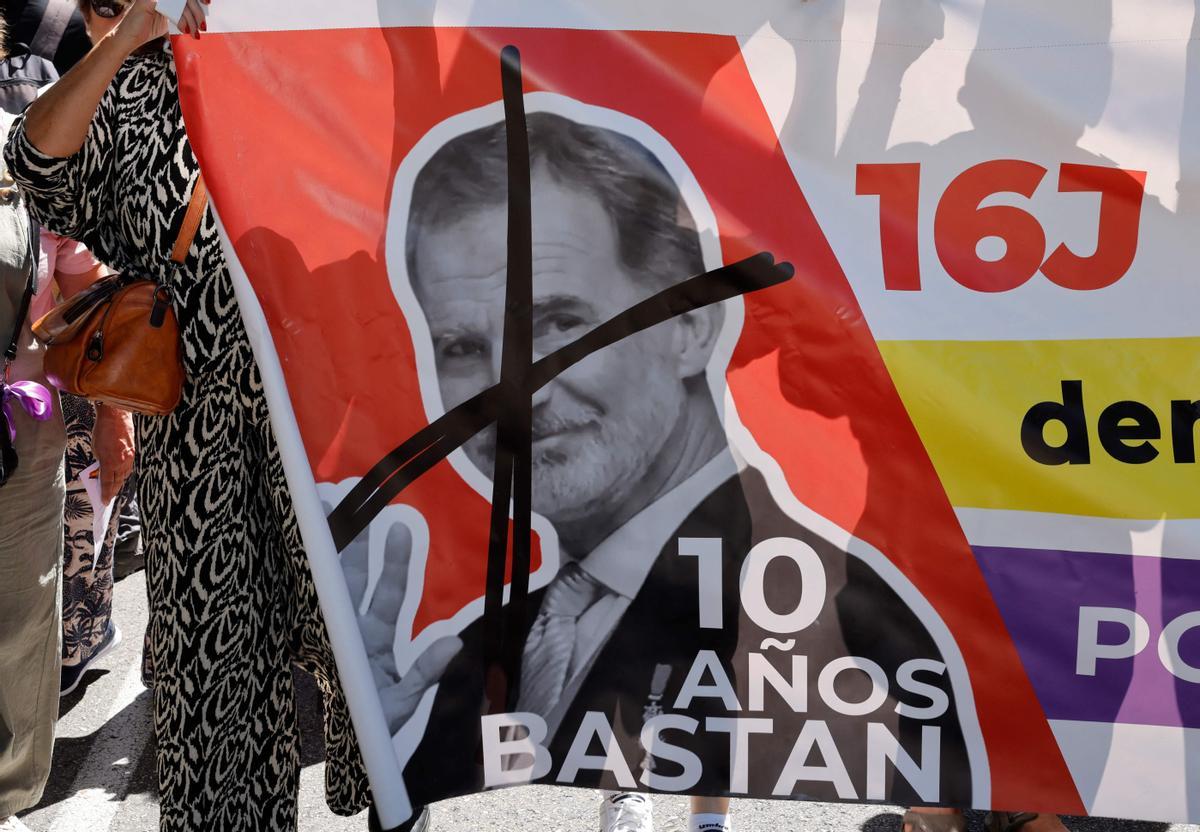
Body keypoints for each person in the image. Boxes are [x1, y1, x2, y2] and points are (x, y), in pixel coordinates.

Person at [347, 108, 975, 826]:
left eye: (558, 324)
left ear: (688, 328)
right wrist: (392, 765)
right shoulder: (480, 645)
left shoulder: (834, 618)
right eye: (460, 347)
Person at [3, 0, 371, 829]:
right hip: (195, 438)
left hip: (334, 430)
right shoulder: (139, 86)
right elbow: (34, 160)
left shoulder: (319, 69)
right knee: (217, 703)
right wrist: (134, 33)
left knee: (375, 672)